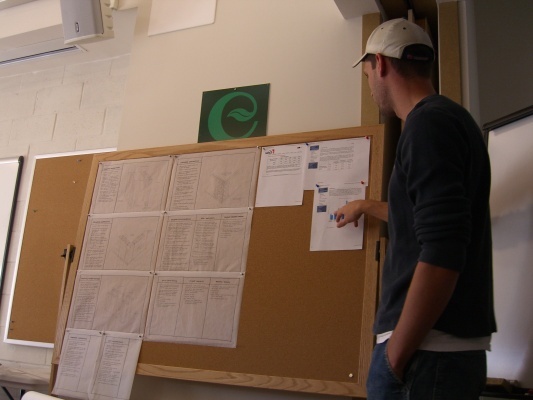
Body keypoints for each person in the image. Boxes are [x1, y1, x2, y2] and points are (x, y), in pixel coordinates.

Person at [334, 18, 496, 399]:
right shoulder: (452, 121)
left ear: (380, 64)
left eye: (367, 74)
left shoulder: (427, 126)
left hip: (424, 356)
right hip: (436, 355)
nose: (369, 85)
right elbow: (426, 218)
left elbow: (443, 250)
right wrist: (367, 206)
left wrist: (395, 357)